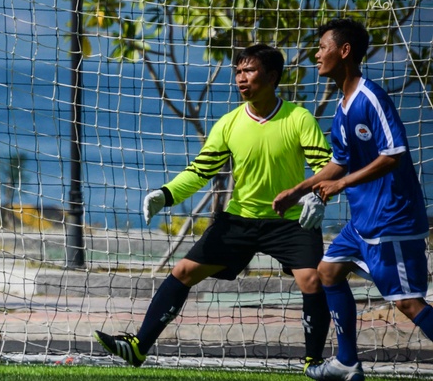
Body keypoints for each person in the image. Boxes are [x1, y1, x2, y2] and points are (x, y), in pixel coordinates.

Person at [94, 44, 333, 372]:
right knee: (182, 272)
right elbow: (199, 172)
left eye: (249, 71)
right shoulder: (229, 123)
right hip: (238, 220)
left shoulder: (299, 118)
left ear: (273, 76)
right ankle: (138, 348)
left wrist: (317, 194)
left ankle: (313, 363)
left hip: (289, 222)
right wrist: (165, 194)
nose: (240, 78)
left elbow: (325, 167)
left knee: (312, 280)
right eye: (237, 71)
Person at [274, 19, 433, 381]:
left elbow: (393, 154)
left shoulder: (370, 98)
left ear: (344, 51)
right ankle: (347, 362)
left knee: (408, 303)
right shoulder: (343, 108)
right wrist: (299, 189)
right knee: (328, 271)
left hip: (393, 219)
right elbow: (339, 161)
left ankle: (347, 362)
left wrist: (343, 184)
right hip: (363, 221)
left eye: (322, 47)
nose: (316, 54)